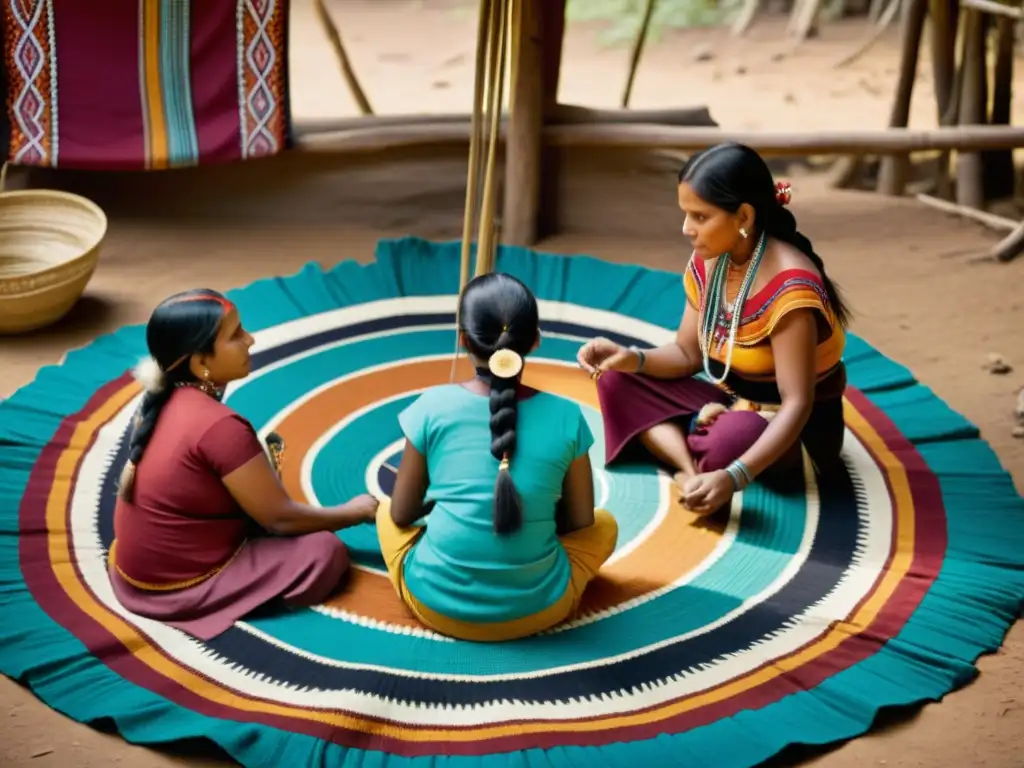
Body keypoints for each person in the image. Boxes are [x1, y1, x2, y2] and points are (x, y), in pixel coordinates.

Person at [577, 142, 849, 517]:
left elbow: (797, 404)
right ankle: (691, 472)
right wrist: (633, 359)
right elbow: (687, 354)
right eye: (686, 214)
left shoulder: (791, 289)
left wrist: (735, 477)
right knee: (615, 379)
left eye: (700, 217)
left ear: (744, 217)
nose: (686, 228)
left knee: (730, 440)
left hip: (792, 433)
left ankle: (703, 456)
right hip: (729, 402)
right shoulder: (712, 260)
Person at [108, 289, 378, 640]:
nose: (250, 340)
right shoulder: (219, 427)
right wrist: (354, 511)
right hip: (177, 585)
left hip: (134, 570)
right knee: (324, 552)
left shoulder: (160, 400)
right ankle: (231, 599)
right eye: (235, 335)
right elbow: (280, 519)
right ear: (199, 361)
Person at [378, 273, 619, 642]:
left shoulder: (431, 407)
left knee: (383, 511)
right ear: (534, 341)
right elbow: (579, 522)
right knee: (604, 526)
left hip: (436, 605)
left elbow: (401, 514)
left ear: (462, 339)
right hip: (542, 608)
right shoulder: (567, 416)